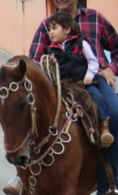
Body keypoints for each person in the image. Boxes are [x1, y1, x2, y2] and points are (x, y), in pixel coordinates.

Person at [27, 0, 118, 195]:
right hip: (57, 82)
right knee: (28, 116)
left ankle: (108, 189)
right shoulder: (46, 25)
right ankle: (25, 179)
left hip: (91, 80)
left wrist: (111, 69)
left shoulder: (96, 19)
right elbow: (33, 59)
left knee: (115, 114)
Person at [43, 12, 113, 147]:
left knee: (97, 98)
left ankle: (104, 127)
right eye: (49, 29)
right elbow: (50, 71)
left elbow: (93, 61)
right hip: (64, 86)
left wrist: (88, 76)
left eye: (54, 28)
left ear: (67, 29)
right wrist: (51, 64)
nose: (51, 33)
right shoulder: (51, 50)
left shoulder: (81, 43)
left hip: (83, 83)